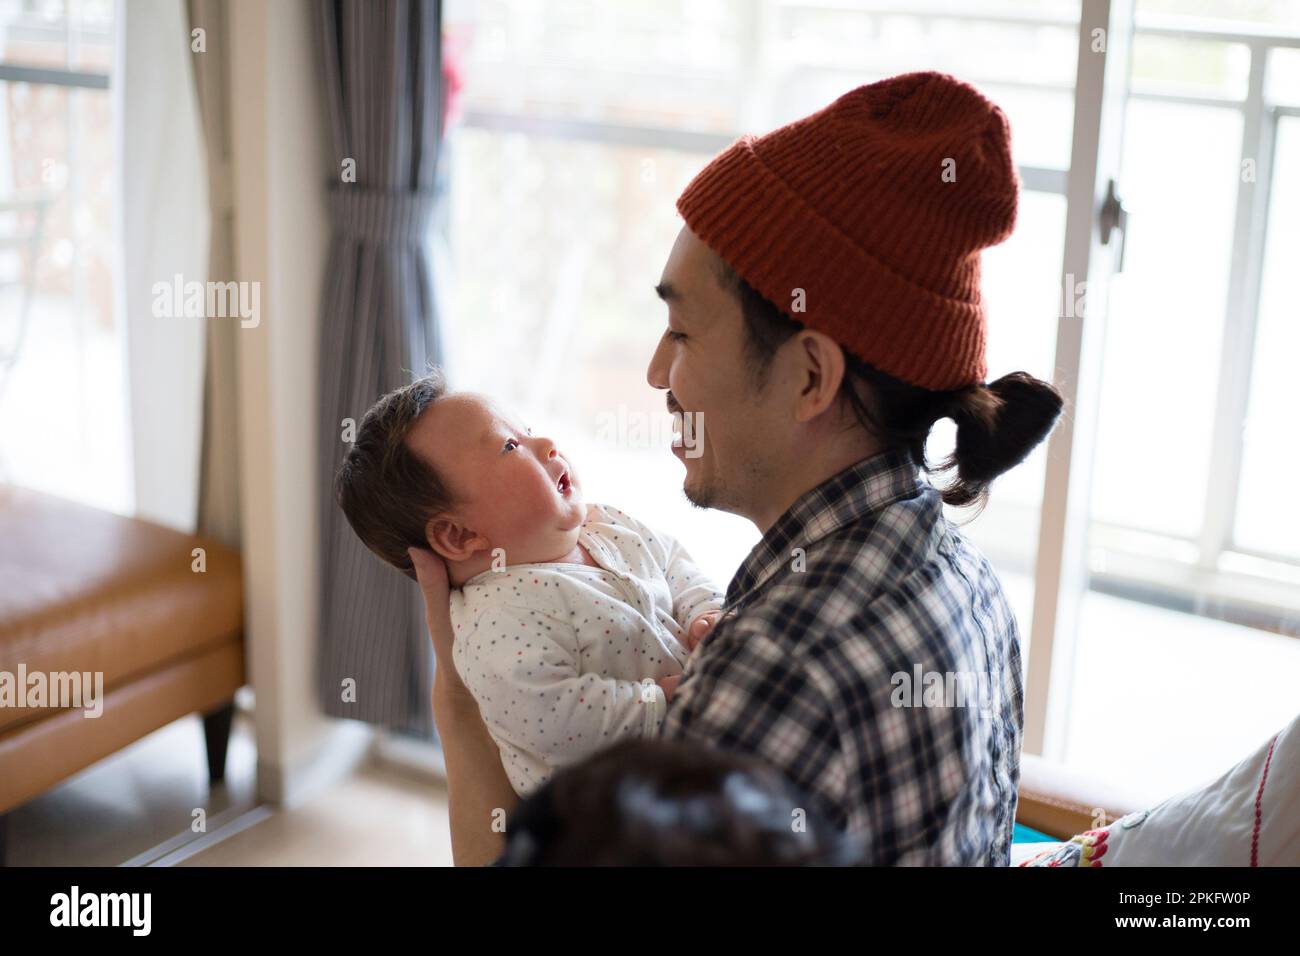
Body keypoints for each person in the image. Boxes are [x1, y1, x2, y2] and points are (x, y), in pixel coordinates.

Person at [415, 70, 1064, 865]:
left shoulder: (768, 678)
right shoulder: (960, 570)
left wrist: (459, 707)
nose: (657, 373)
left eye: (682, 332)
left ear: (808, 377)